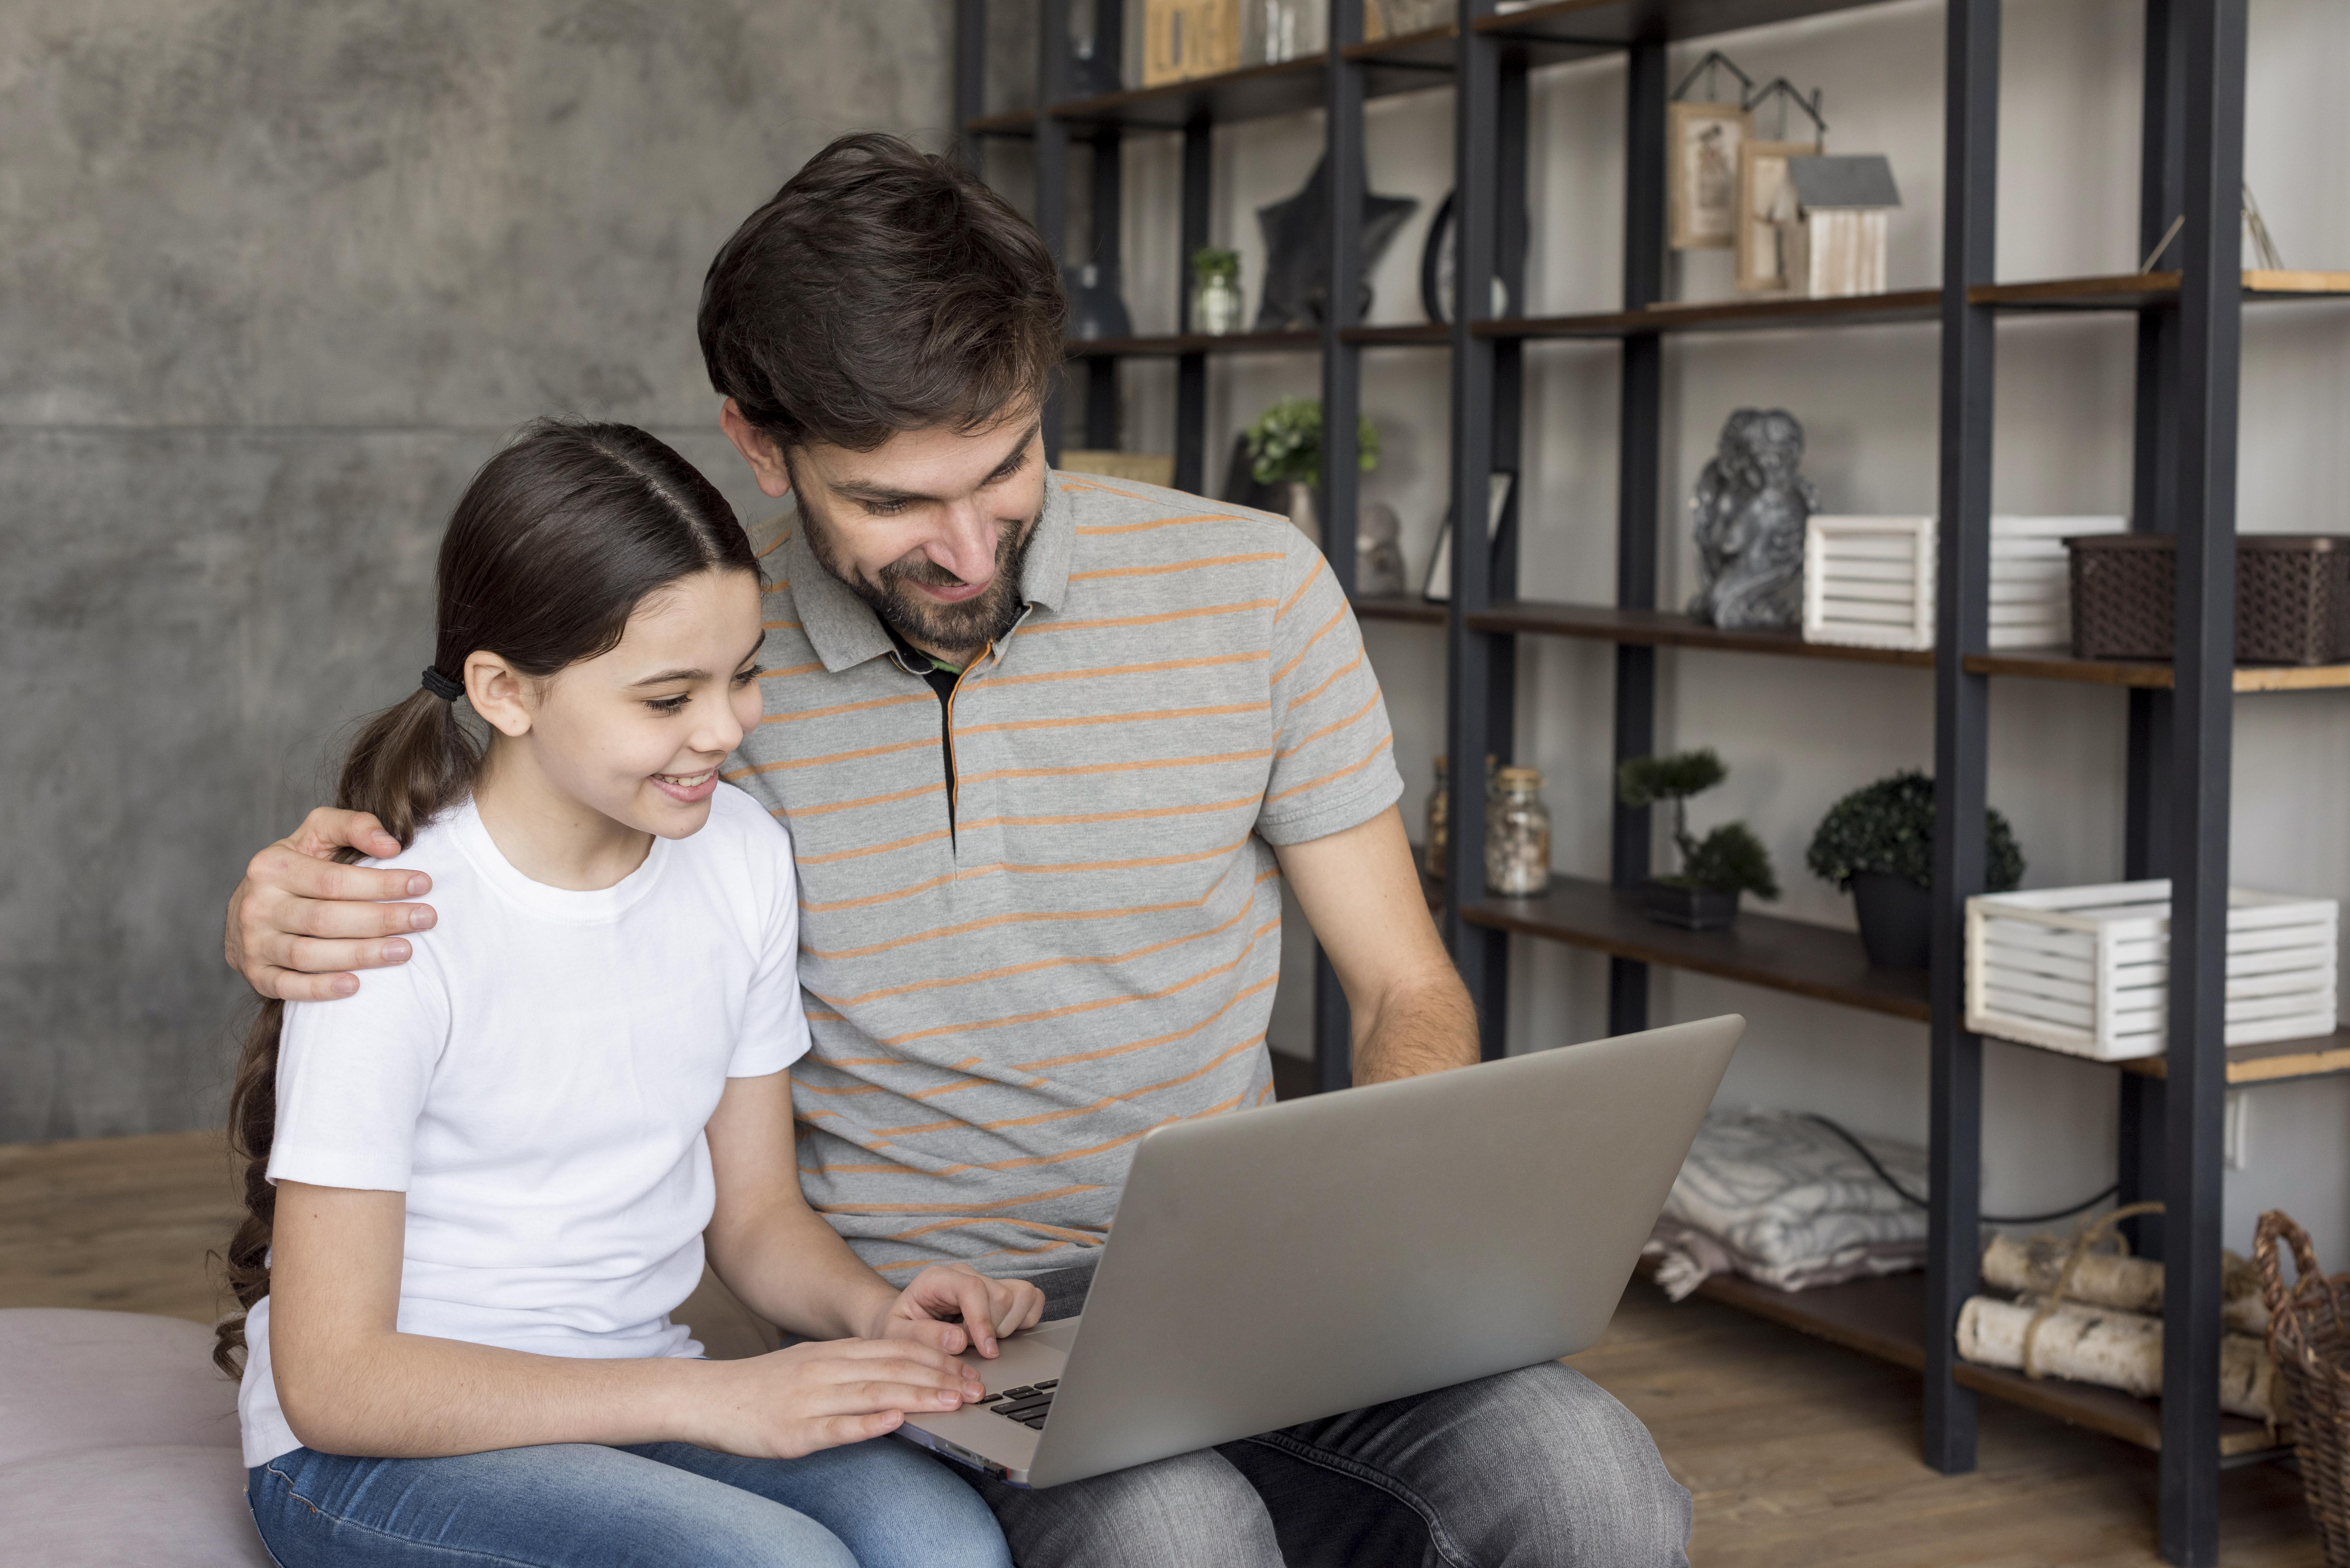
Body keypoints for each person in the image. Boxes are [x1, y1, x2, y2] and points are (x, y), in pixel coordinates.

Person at [228, 139, 1693, 1567]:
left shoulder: (1254, 592)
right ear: (758, 438)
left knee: (1588, 1475)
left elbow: (1402, 992)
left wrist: (1382, 1244)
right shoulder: (704, 664)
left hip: (1259, 1277)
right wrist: (289, 904)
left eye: (1004, 468)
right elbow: (504, 809)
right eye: (891, 503)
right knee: (1171, 1530)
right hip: (956, 1328)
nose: (971, 552)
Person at [217, 419, 1029, 1568]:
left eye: (744, 675)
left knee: (944, 1545)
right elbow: (339, 1383)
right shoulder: (390, 922)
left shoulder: (740, 854)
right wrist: (717, 1402)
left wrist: (873, 1312)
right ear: (505, 692)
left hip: (633, 1400)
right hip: (375, 1454)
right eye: (666, 699)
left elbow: (755, 1219)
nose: (723, 730)